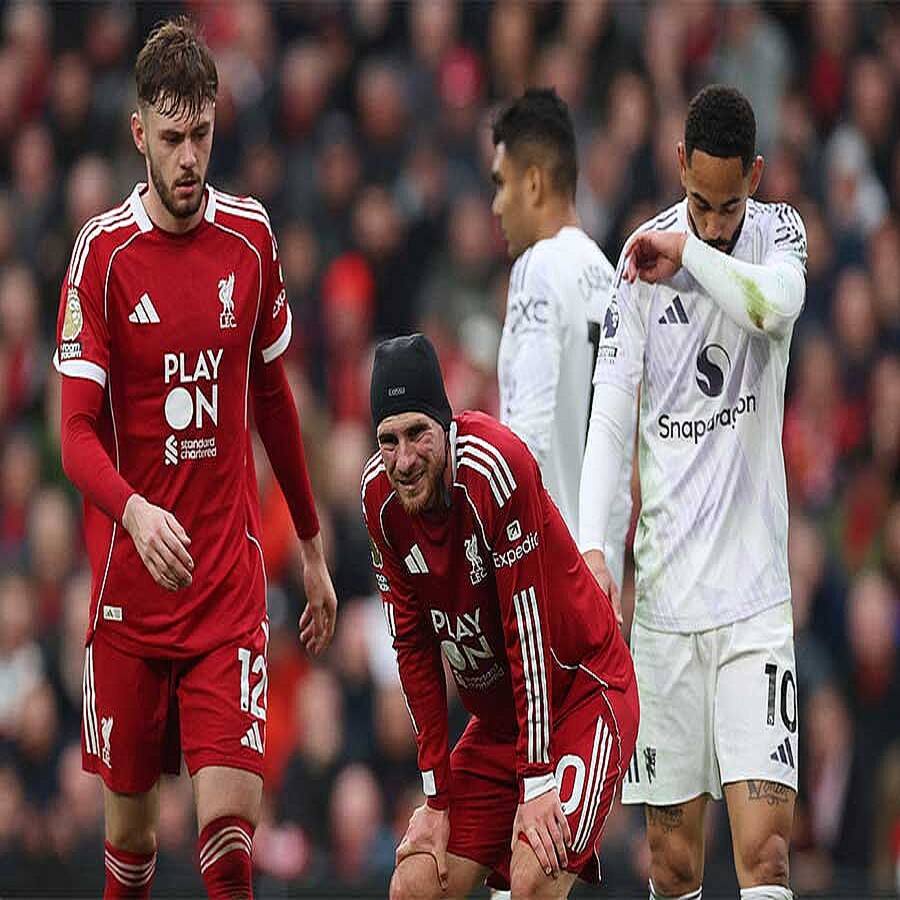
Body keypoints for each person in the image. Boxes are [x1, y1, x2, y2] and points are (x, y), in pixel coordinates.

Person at [53, 18, 337, 899]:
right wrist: (134, 512)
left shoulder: (249, 239)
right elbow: (74, 434)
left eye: (202, 135)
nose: (189, 158)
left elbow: (274, 400)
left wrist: (313, 546)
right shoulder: (102, 255)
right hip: (130, 598)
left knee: (228, 845)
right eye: (172, 138)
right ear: (139, 132)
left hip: (224, 589)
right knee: (132, 852)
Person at [579, 85, 806, 900]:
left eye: (728, 205)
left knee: (766, 855)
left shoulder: (780, 234)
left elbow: (774, 307)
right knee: (672, 865)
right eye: (700, 205)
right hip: (666, 611)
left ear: (756, 176)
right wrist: (594, 550)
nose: (712, 223)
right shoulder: (639, 260)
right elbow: (611, 417)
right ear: (679, 163)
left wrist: (692, 254)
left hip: (754, 607)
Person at [361, 333, 638, 900]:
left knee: (533, 876)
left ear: (446, 425)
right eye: (389, 440)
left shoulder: (494, 467)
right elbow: (412, 649)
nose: (404, 460)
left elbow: (525, 629)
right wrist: (436, 798)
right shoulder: (379, 502)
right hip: (501, 725)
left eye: (417, 434)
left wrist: (536, 779)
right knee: (414, 886)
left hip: (581, 693)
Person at [491, 88, 631, 613]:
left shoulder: (538, 267)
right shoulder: (613, 280)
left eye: (501, 183)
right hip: (600, 583)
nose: (496, 205)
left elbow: (526, 435)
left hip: (545, 578)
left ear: (532, 183)